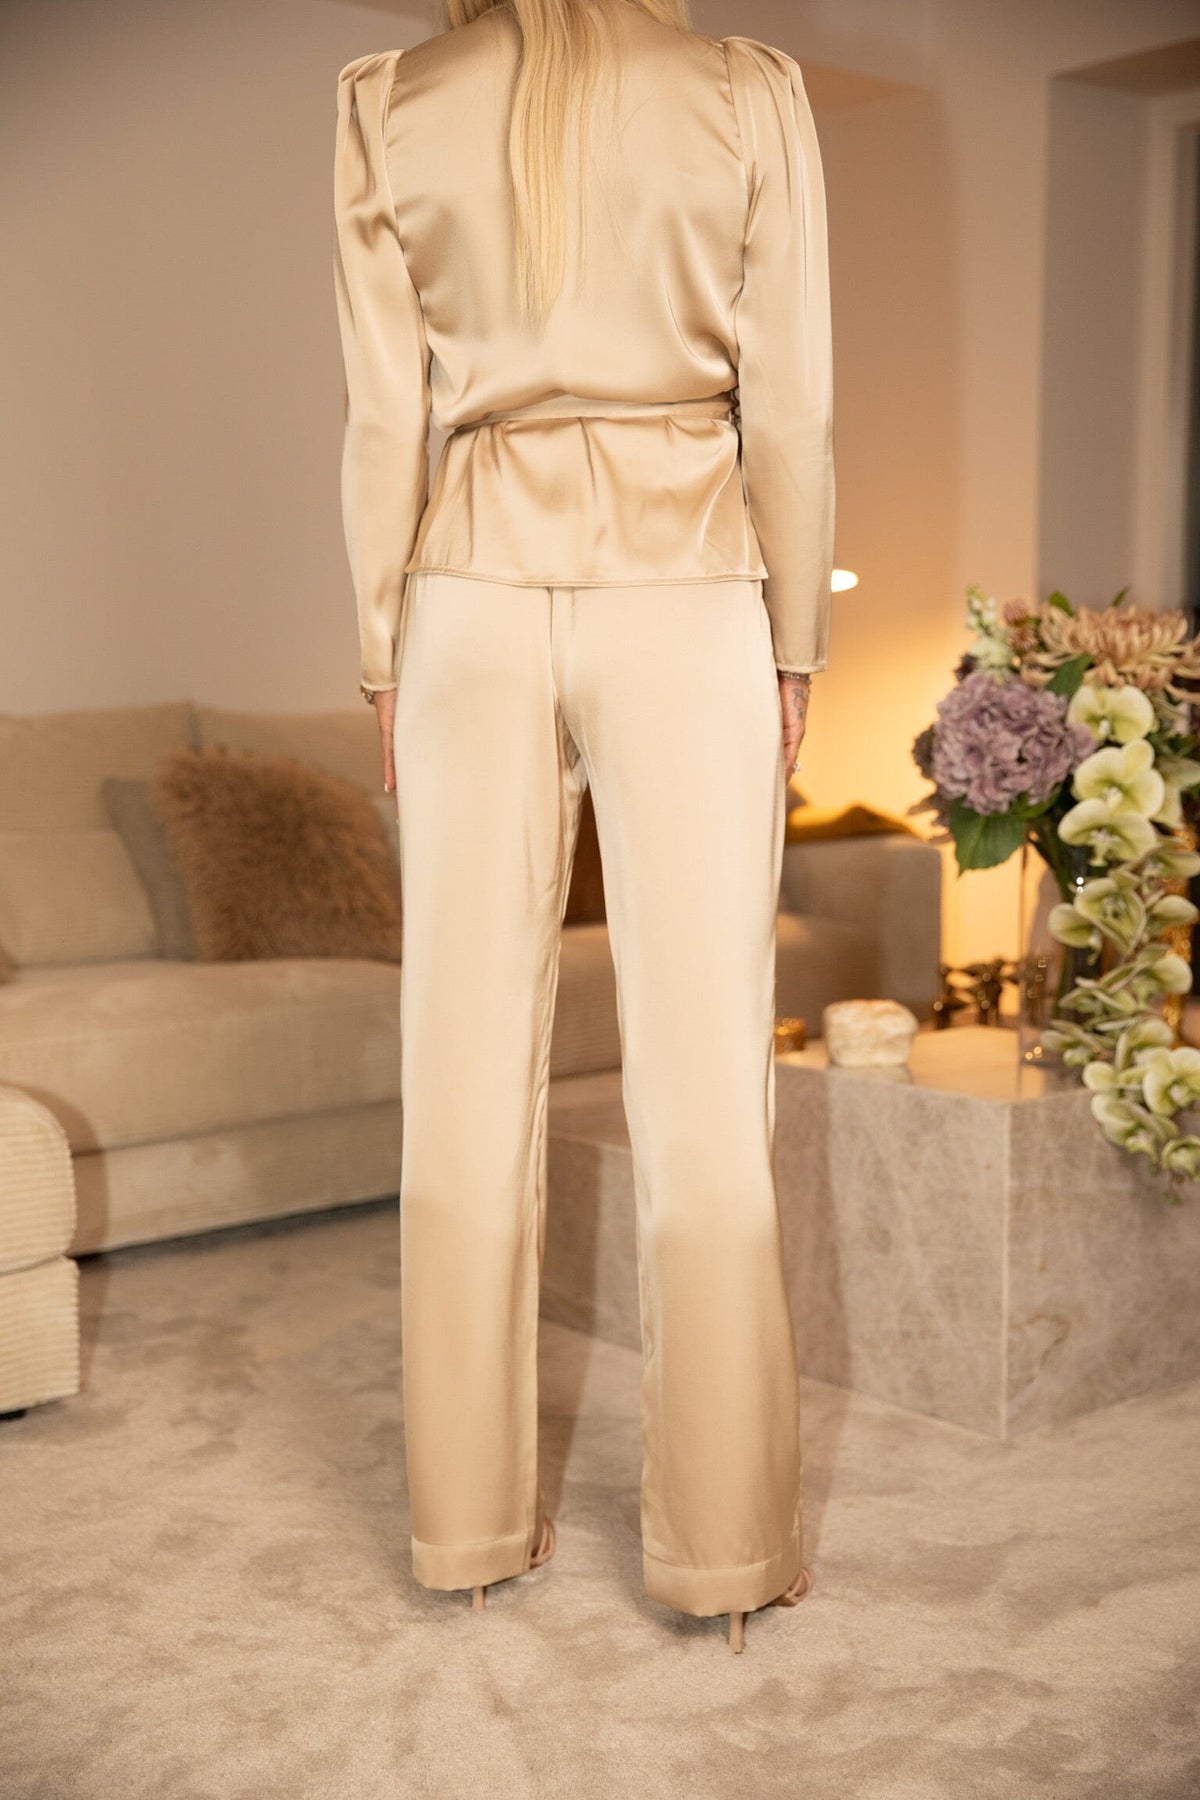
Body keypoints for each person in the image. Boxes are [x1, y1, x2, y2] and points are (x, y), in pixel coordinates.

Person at [332, 0, 834, 1655]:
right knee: (706, 1083)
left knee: (461, 1070)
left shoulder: (393, 97)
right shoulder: (743, 91)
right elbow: (792, 403)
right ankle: (727, 1551)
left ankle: (468, 1528)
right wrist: (795, 640)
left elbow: (383, 411)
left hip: (467, 584)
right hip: (685, 577)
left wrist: (382, 646)